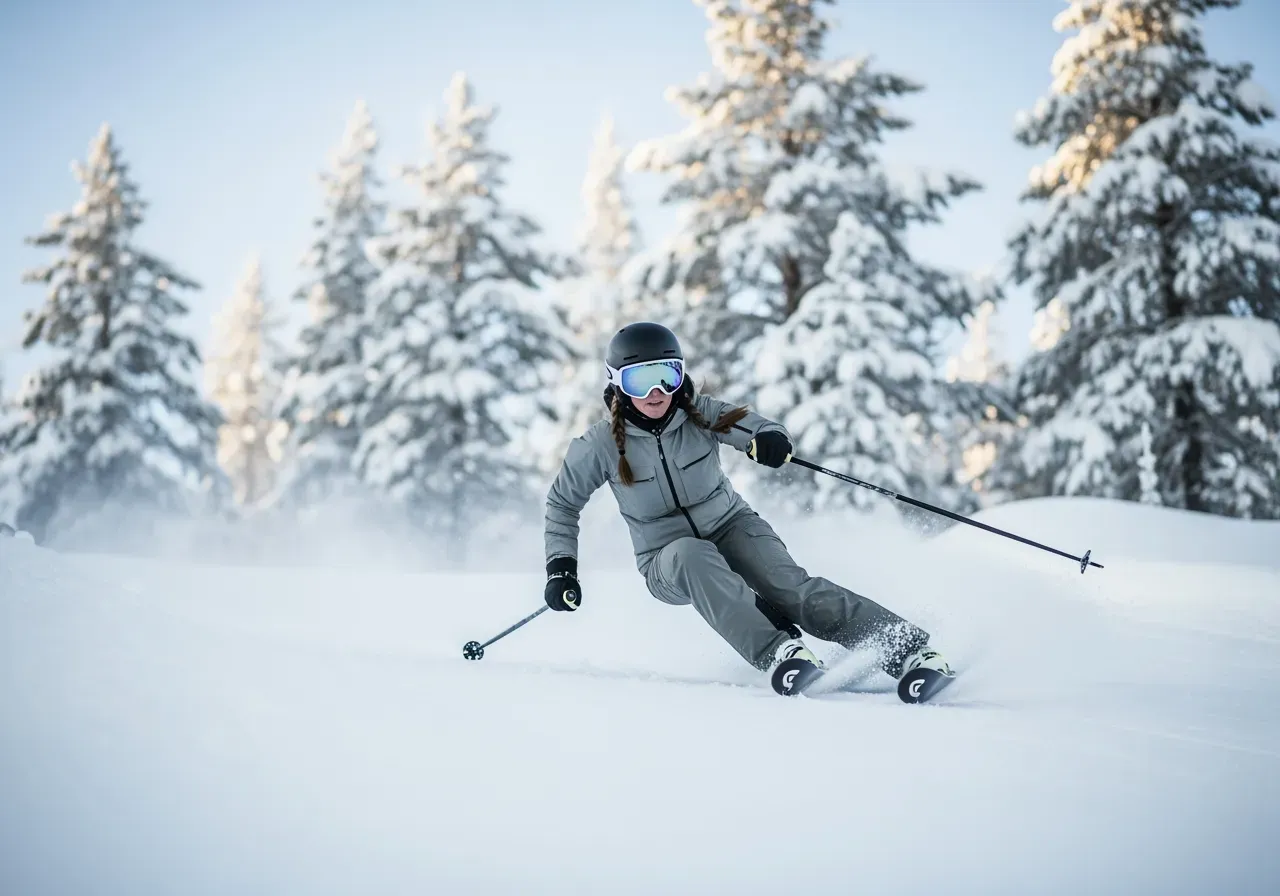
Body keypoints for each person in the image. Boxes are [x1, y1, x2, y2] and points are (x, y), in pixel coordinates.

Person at [542, 321, 951, 691]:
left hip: (732, 525)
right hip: (665, 558)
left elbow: (756, 427)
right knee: (691, 554)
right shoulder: (598, 445)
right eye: (640, 380)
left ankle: (905, 647)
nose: (656, 393)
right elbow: (562, 504)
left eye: (666, 376)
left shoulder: (701, 414)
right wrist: (561, 569)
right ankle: (780, 651)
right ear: (617, 384)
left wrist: (771, 440)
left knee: (790, 588)